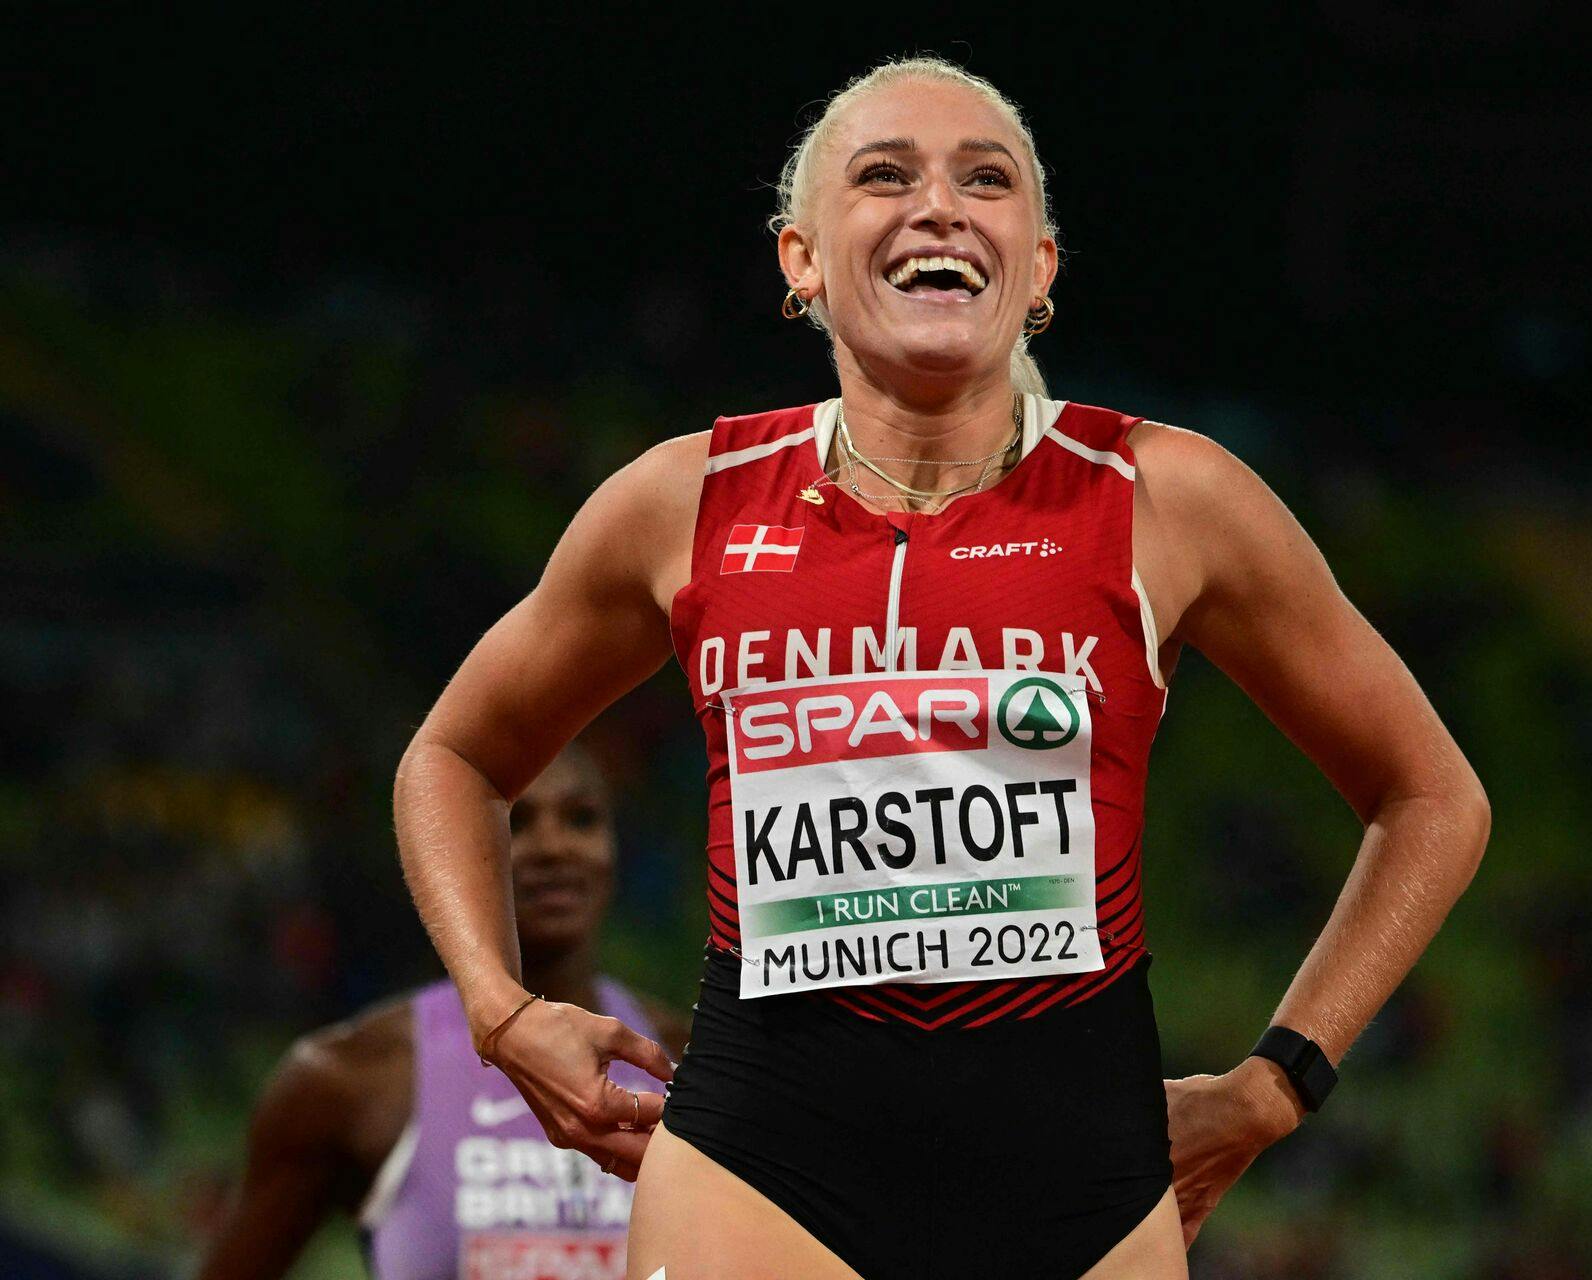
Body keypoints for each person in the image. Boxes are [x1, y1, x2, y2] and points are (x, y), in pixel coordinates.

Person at [391, 54, 1491, 1280]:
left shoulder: (1166, 498)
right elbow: (454, 753)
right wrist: (499, 1011)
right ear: (800, 258)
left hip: (1084, 1187)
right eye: (883, 175)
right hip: (761, 1171)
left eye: (987, 179)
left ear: (1040, 269)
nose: (939, 205)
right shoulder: (682, 501)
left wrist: (1282, 1077)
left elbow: (1432, 795)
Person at [198, 743, 686, 1280]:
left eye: (581, 819)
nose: (553, 847)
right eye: (515, 821)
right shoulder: (354, 1078)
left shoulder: (690, 1063)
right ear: (451, 855)